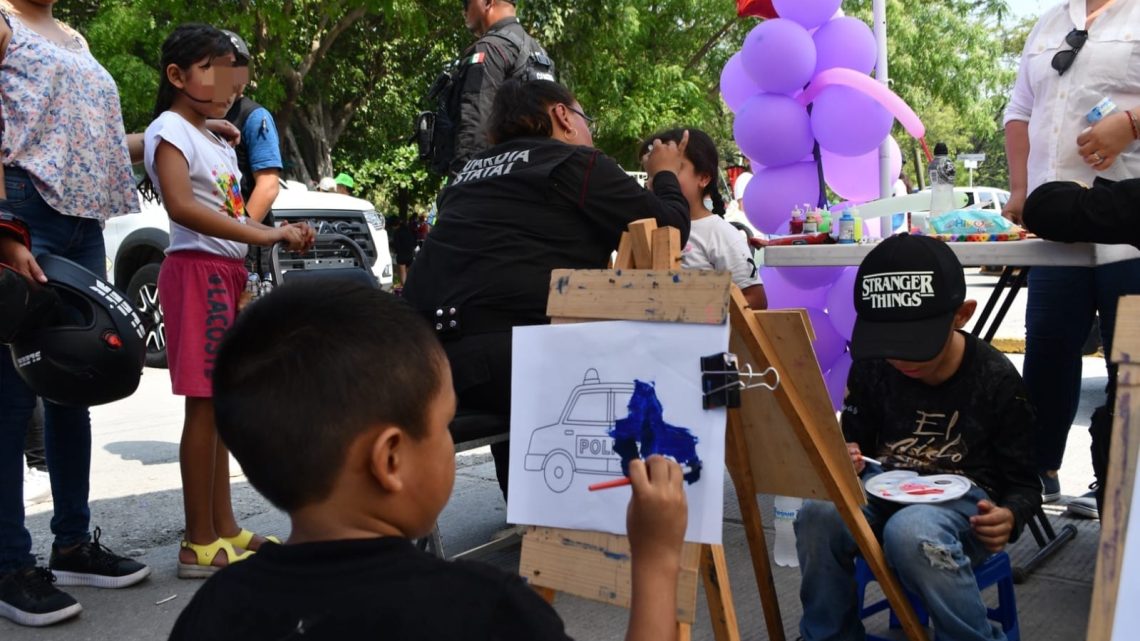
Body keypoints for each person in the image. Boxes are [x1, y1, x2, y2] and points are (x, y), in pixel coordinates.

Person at [167, 279, 689, 641]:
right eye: (443, 426)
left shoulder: (212, 614)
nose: (448, 444)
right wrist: (657, 558)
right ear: (390, 459)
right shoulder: (484, 610)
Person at [403, 79, 690, 499]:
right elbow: (669, 230)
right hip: (519, 365)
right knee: (662, 375)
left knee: (524, 344)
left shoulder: (465, 176)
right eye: (584, 117)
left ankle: (530, 510)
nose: (587, 130)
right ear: (562, 116)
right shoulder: (575, 163)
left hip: (428, 364)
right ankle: (606, 518)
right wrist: (664, 172)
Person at [794, 234, 1040, 641]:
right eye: (887, 343)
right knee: (818, 513)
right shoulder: (874, 367)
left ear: (961, 315)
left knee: (910, 532)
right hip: (883, 487)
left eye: (915, 344)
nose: (900, 357)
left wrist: (1010, 516)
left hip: (961, 506)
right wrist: (847, 457)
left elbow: (1025, 483)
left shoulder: (995, 379)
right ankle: (827, 635)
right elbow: (854, 445)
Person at [0, 0, 153, 627]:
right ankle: (9, 564)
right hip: (23, 212)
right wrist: (2, 231)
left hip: (80, 221)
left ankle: (72, 544)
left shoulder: (72, 36)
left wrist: (173, 131)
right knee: (11, 397)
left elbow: (84, 142)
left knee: (72, 384)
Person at [141, 23, 311, 579]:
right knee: (204, 405)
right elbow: (182, 206)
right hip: (196, 271)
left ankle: (224, 528)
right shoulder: (170, 129)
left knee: (219, 404)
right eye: (214, 71)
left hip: (223, 272)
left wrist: (212, 126)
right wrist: (263, 234)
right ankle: (197, 542)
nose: (230, 86)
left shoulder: (209, 133)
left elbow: (225, 199)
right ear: (177, 76)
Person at [1002, 0, 1140, 517]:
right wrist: (1019, 189)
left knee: (1130, 365)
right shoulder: (1048, 22)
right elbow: (1019, 112)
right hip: (1056, 228)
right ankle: (1036, 479)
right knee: (1048, 351)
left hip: (1126, 225)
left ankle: (1118, 486)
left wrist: (1131, 121)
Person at [639, 128, 766, 310]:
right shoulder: (643, 228)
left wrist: (699, 309)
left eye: (671, 169)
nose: (657, 179)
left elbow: (756, 299)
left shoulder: (721, 234)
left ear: (704, 178)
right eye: (652, 172)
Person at [452, 0, 554, 174]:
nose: (464, 11)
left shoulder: (490, 48)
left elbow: (476, 125)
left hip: (496, 182)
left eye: (466, 4)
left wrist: (462, 180)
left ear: (487, 3)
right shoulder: (540, 54)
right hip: (538, 175)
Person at [391, 215, 417, 287]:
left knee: (403, 274)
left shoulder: (396, 233)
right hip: (410, 254)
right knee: (409, 275)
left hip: (401, 255)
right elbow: (414, 241)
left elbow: (396, 246)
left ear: (394, 225)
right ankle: (410, 288)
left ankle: (404, 290)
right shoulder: (407, 230)